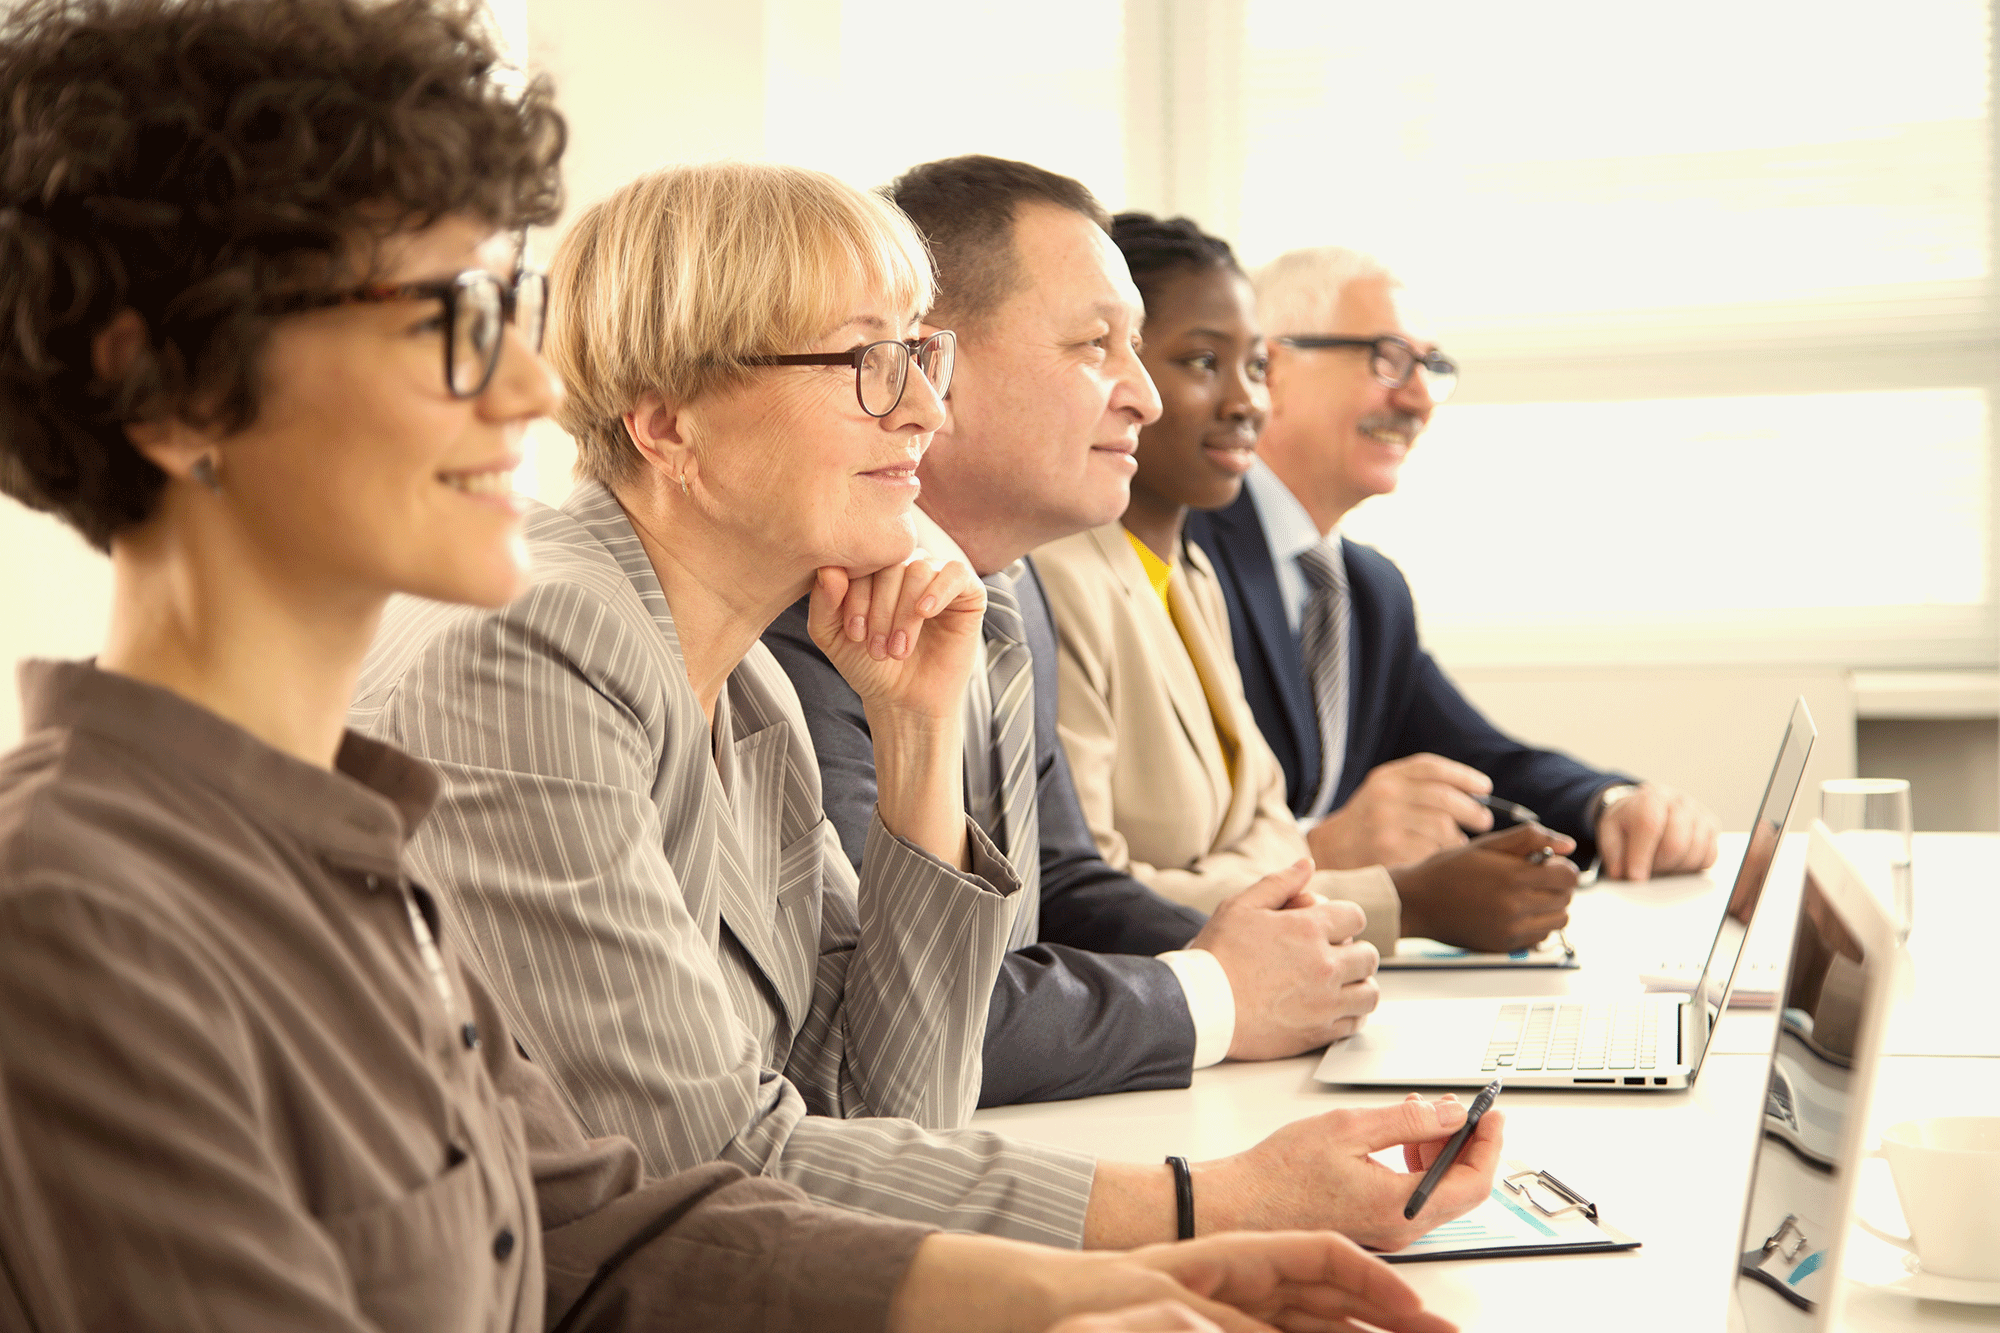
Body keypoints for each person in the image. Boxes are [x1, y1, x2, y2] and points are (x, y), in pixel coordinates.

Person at [0, 3, 1462, 1329]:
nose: (526, 387)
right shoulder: (75, 911)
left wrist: (1131, 1279)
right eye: (450, 322)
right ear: (173, 387)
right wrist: (1185, 1216)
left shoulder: (336, 839)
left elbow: (618, 1228)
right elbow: (714, 1170)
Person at [355, 156, 1504, 1254]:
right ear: (667, 425)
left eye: (921, 355)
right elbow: (705, 1172)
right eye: (866, 360)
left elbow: (887, 1102)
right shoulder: (542, 639)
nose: (920, 412)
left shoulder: (745, 680)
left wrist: (917, 739)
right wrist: (1212, 1202)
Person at [763, 160, 1386, 1103]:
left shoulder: (1009, 588)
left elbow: (1060, 882)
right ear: (933, 365)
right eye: (1097, 345)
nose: (1146, 395)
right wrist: (1212, 994)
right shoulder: (810, 614)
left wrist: (1270, 947)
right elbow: (889, 1017)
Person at [1033, 213, 1578, 956]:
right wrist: (1395, 897)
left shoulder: (1194, 575)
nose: (1246, 400)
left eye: (1255, 368)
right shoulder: (1054, 577)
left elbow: (1268, 834)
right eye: (1201, 361)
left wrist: (1611, 807)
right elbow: (1087, 892)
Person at [1185, 246, 1720, 882]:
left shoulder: (1367, 591)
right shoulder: (1181, 550)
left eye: (1430, 366)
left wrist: (1613, 805)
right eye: (1389, 359)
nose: (1418, 399)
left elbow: (1482, 760)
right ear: (1269, 366)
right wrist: (1318, 847)